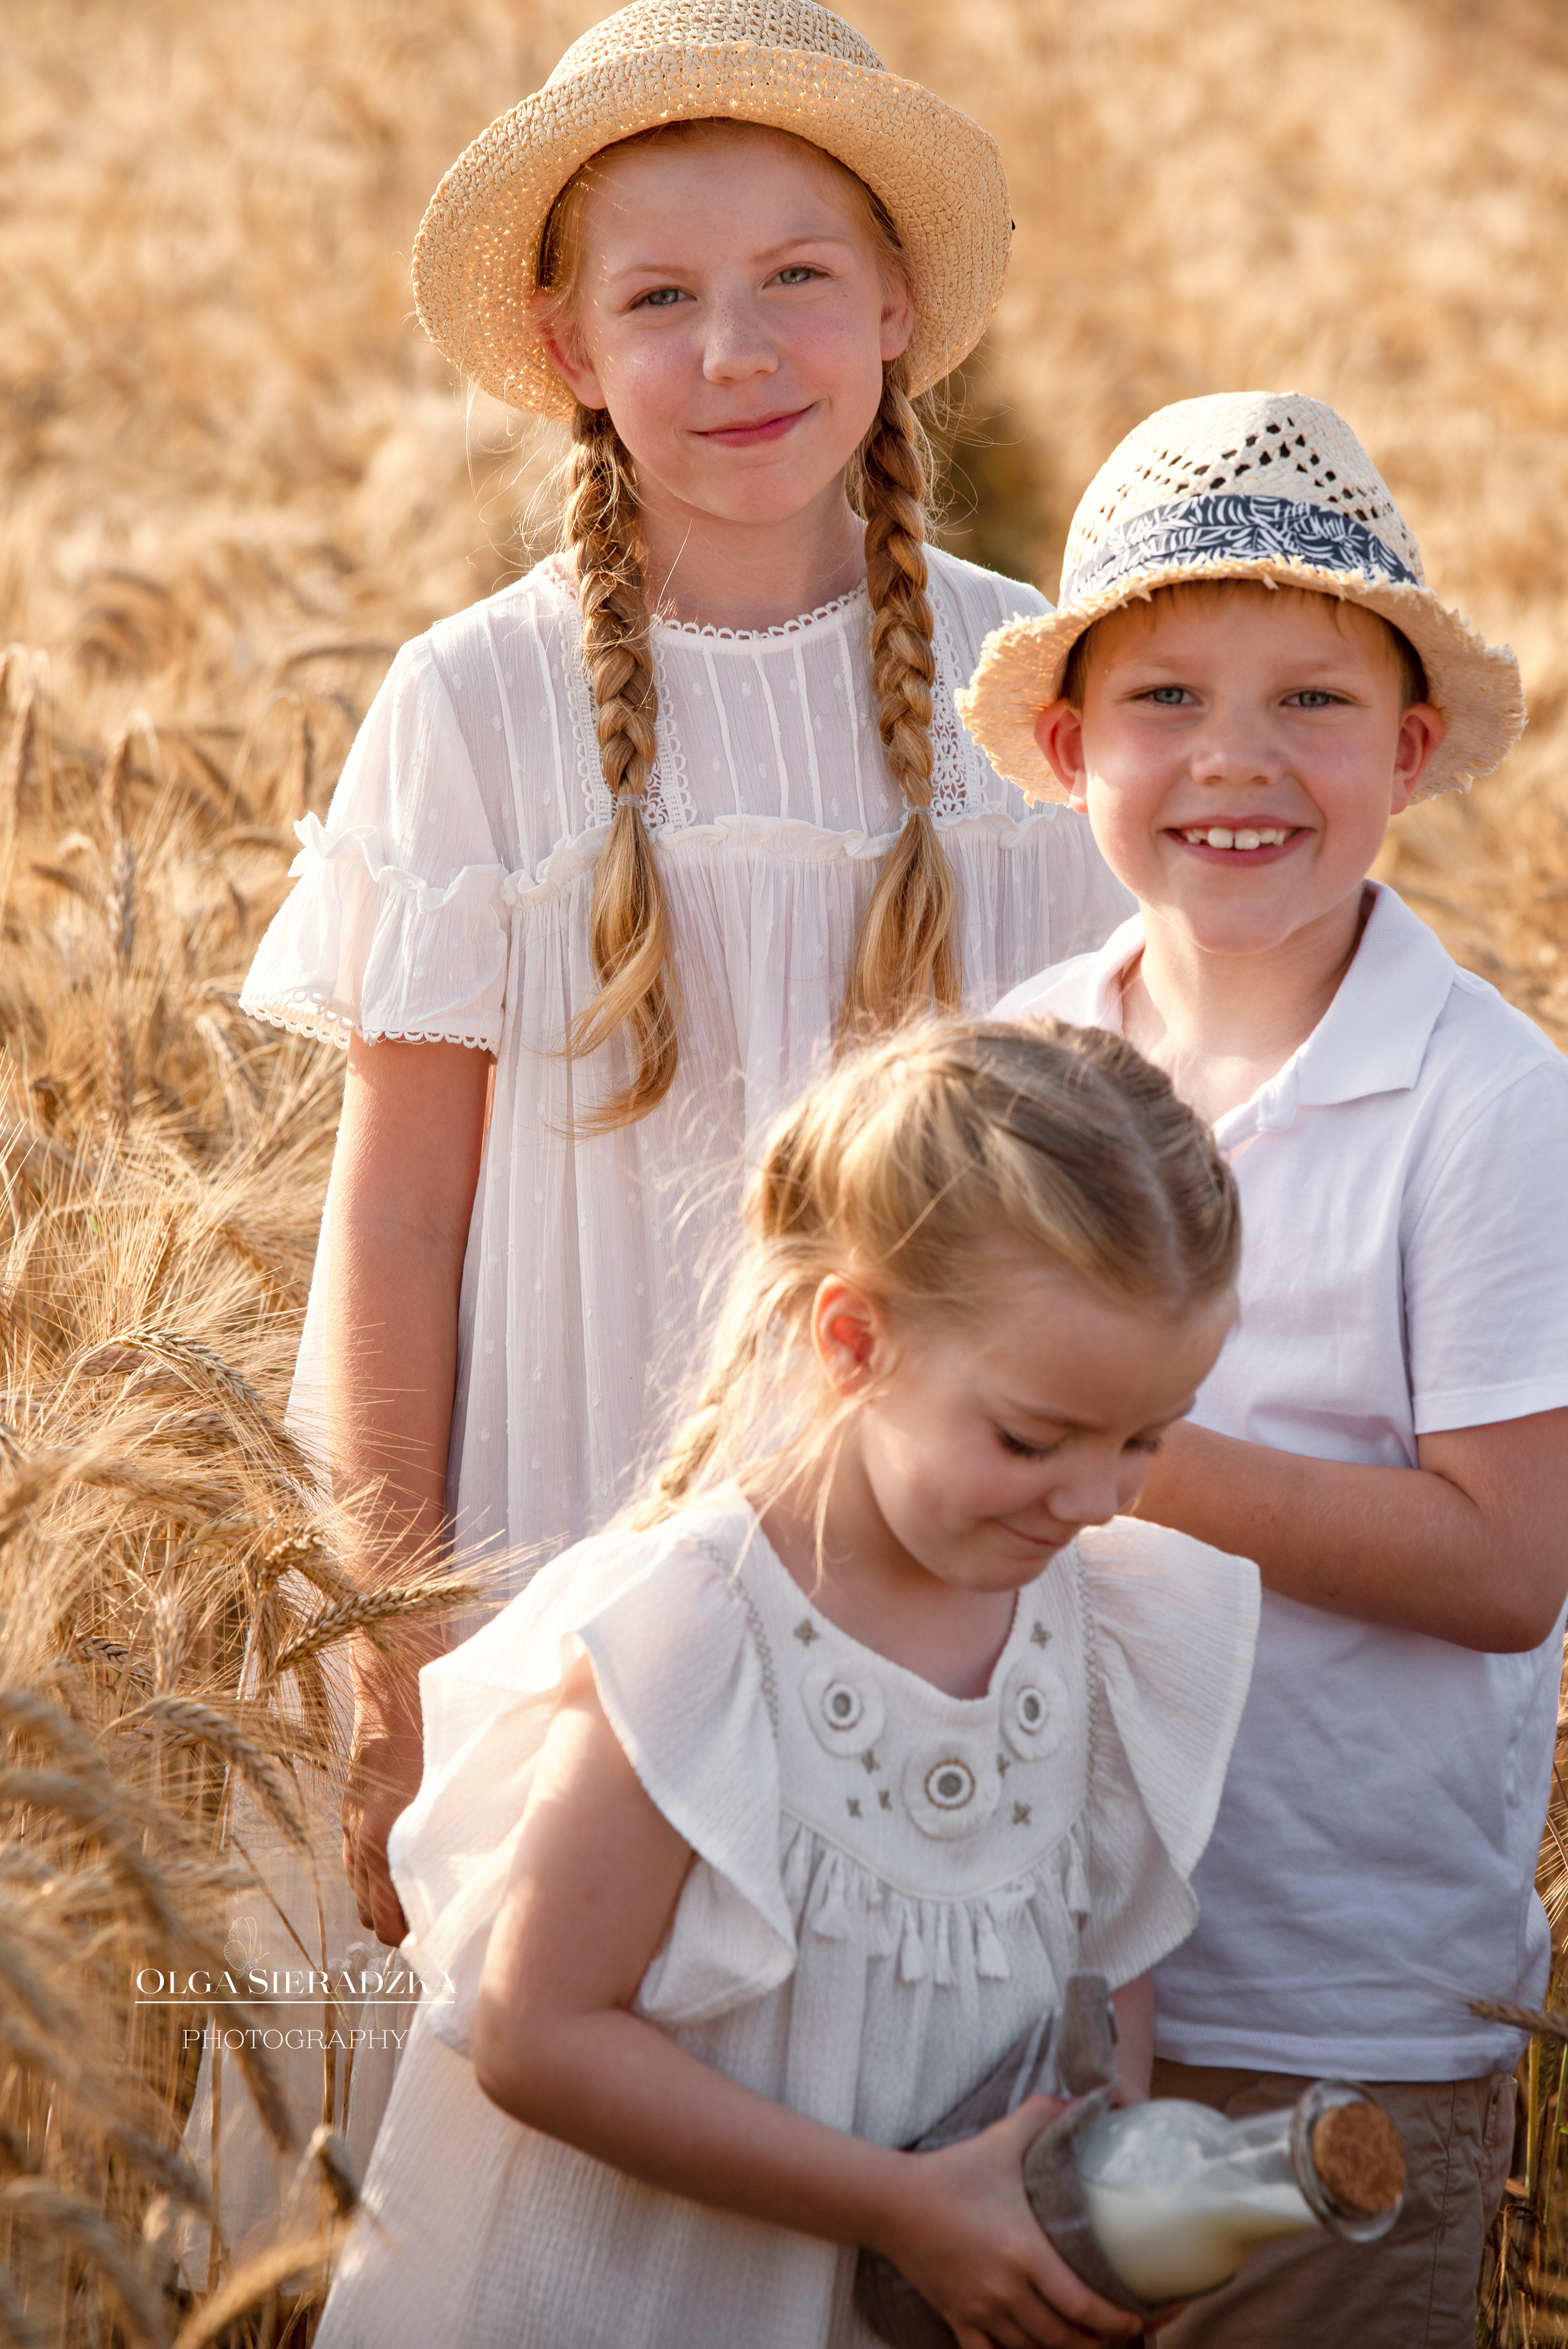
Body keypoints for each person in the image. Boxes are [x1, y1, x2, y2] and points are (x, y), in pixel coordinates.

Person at [236, 0, 1132, 1964]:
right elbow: (393, 1219)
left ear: (896, 302)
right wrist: (395, 1653)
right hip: (554, 1541)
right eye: (660, 296)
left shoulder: (1028, 698)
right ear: (568, 351)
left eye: (798, 277)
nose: (735, 351)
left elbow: (1120, 1195)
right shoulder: (473, 705)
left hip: (931, 1586)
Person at [311, 1016, 1259, 2349]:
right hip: (654, 2301)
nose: (1096, 1500)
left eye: (1144, 1441)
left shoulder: (1100, 1625)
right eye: (1035, 1438)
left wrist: (1070, 2219)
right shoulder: (700, 1638)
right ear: (854, 1342)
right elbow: (538, 2034)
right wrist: (899, 2210)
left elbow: (1101, 1979)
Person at [960, 388, 1568, 2348]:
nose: (1236, 760)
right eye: (1164, 703)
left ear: (1408, 752)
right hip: (1028, 1971)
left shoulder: (1487, 1108)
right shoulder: (1026, 1060)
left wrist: (1110, 1451)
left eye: (1311, 702)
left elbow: (1502, 1567)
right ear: (1068, 754)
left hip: (1334, 2010)